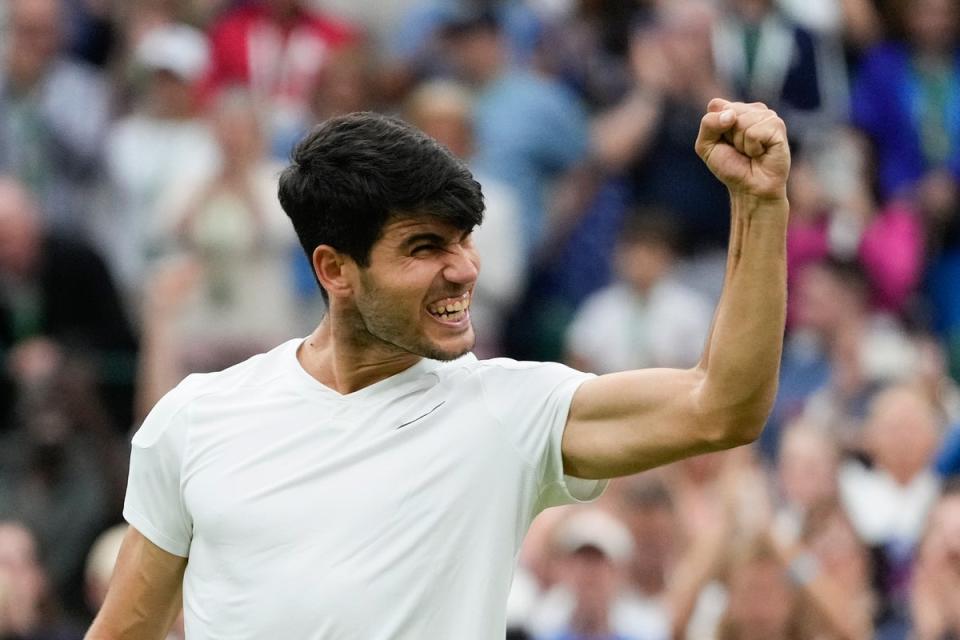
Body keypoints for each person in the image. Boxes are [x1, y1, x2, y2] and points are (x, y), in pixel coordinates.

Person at [86, 99, 791, 638]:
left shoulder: (513, 411)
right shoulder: (197, 417)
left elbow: (721, 405)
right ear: (335, 270)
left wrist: (760, 207)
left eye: (464, 241)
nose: (463, 270)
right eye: (424, 247)